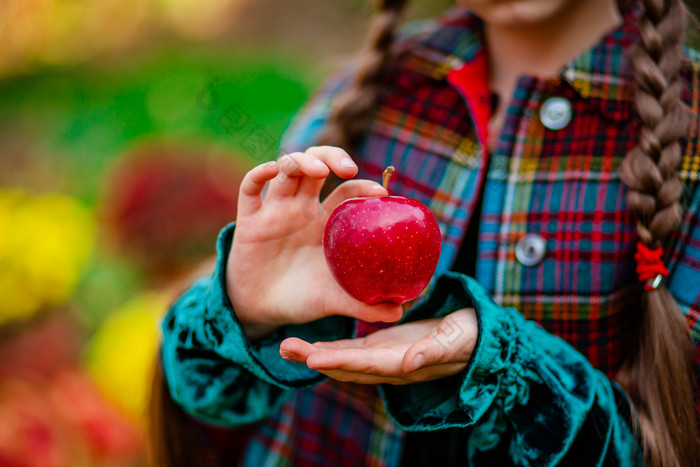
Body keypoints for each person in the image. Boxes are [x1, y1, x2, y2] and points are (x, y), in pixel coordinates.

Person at [150, 0, 700, 465]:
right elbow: (212, 407)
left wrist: (509, 369)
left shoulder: (686, 136)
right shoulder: (368, 90)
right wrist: (243, 310)